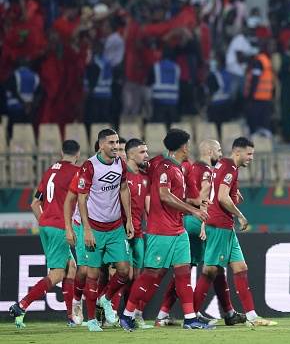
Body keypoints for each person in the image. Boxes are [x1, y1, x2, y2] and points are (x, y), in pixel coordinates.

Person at [120, 129, 211, 331]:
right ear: (183, 147)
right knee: (150, 274)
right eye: (188, 144)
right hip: (160, 231)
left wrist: (194, 205)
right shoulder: (165, 167)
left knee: (183, 273)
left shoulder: (175, 167)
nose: (190, 148)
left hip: (178, 230)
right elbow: (164, 195)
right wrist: (193, 211)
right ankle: (127, 315)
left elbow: (170, 192)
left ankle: (189, 318)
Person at [155, 139, 245, 327]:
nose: (221, 155)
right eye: (219, 151)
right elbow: (204, 197)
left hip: (188, 220)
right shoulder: (206, 171)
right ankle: (181, 315)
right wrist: (204, 221)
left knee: (213, 267)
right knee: (199, 269)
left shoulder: (190, 167)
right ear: (210, 151)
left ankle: (228, 312)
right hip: (198, 221)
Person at [192, 137, 277, 327]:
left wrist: (231, 195)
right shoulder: (229, 167)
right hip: (220, 224)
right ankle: (192, 316)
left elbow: (213, 191)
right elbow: (221, 197)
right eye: (249, 154)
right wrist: (240, 215)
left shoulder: (222, 164)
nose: (251, 158)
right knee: (210, 270)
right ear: (237, 152)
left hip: (222, 225)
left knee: (240, 268)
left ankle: (252, 316)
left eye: (253, 154)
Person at [9, 140, 81, 328]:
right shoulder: (76, 172)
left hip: (45, 225)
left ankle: (70, 317)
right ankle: (22, 305)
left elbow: (34, 204)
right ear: (78, 154)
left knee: (71, 267)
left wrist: (44, 222)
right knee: (57, 274)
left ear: (61, 151)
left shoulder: (50, 170)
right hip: (59, 226)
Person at [78, 129, 134, 331]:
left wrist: (128, 219)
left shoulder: (120, 164)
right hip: (95, 227)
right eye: (111, 143)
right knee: (92, 275)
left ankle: (105, 298)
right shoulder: (90, 166)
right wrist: (86, 229)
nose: (115, 146)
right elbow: (81, 198)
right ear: (101, 145)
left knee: (124, 271)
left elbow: (124, 188)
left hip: (116, 227)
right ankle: (92, 319)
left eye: (117, 142)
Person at [120, 138, 152, 328]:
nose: (146, 155)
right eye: (142, 152)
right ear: (130, 154)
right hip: (121, 232)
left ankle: (132, 315)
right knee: (123, 274)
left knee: (137, 276)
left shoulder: (144, 176)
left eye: (146, 151)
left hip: (139, 232)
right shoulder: (121, 175)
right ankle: (106, 313)